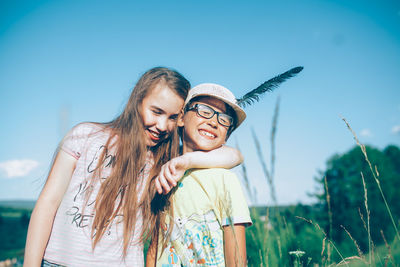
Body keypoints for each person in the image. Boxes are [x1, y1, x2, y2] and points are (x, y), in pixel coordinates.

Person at [23, 68, 243, 267]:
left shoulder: (164, 162)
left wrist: (186, 161)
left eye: (172, 117)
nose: (161, 125)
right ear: (137, 101)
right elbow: (47, 204)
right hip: (59, 262)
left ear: (180, 119)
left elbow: (234, 155)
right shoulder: (85, 136)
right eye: (156, 112)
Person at [147, 83, 252, 267]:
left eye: (224, 119)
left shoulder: (226, 180)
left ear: (227, 135)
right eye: (204, 111)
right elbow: (156, 246)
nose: (213, 122)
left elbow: (236, 258)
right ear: (181, 118)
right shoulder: (165, 174)